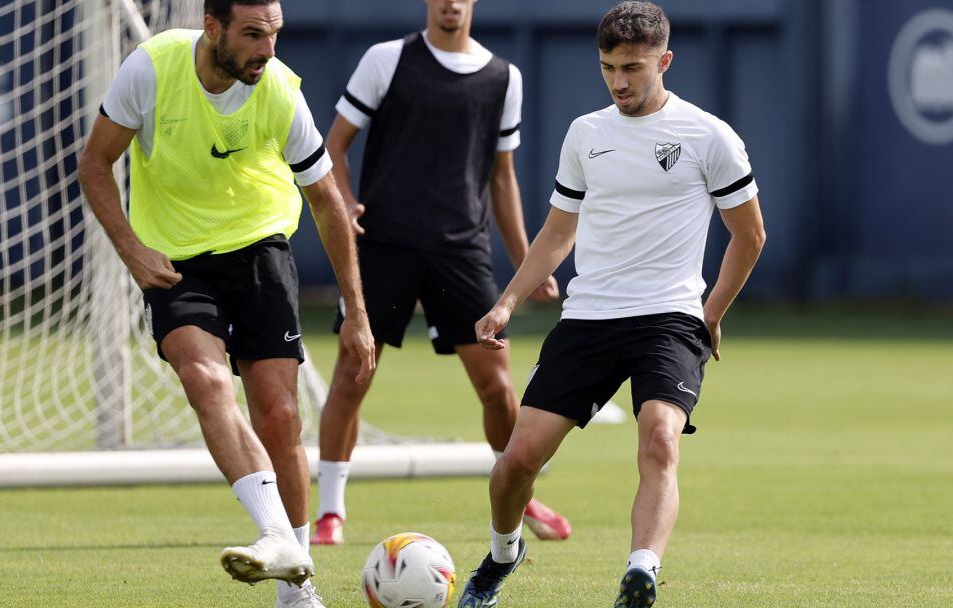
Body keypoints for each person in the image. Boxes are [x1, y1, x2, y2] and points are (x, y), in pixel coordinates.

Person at [456, 2, 767, 606]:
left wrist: (711, 313)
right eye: (608, 68)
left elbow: (749, 235)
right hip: (590, 318)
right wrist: (507, 302)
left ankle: (641, 572)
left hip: (670, 319)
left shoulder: (710, 137)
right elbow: (558, 232)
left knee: (659, 437)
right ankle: (502, 555)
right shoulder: (586, 133)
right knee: (517, 463)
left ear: (665, 61)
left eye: (633, 67)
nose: (619, 81)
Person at [78, 1, 375, 606]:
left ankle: (297, 592)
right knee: (205, 379)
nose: (267, 49)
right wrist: (133, 251)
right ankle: (275, 534)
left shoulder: (282, 93)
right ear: (212, 28)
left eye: (274, 34)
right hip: (176, 259)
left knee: (279, 416)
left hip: (260, 247)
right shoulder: (151, 70)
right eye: (252, 34)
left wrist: (357, 313)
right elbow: (95, 164)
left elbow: (326, 202)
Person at [310, 0, 571, 547]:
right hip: (382, 246)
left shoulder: (505, 78)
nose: (451, 4)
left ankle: (516, 496)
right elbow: (334, 146)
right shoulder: (387, 60)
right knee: (353, 374)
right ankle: (330, 510)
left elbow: (503, 179)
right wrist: (349, 202)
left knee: (498, 388)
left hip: (462, 252)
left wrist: (527, 263)